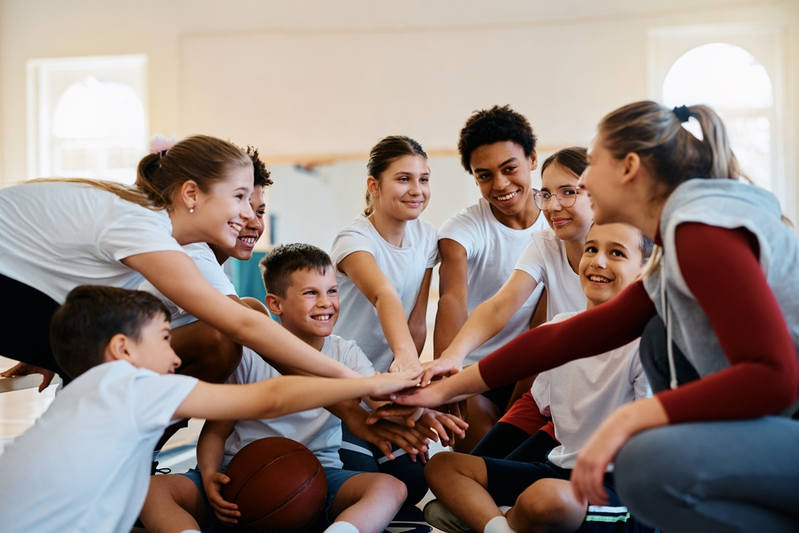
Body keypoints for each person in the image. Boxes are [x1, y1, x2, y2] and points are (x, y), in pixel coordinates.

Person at [384, 101, 799, 533]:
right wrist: (443, 385)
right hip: (770, 425)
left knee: (641, 461)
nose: (582, 180)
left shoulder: (701, 231)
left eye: (593, 162)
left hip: (784, 426)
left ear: (629, 167)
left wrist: (632, 417)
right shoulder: (679, 240)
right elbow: (570, 337)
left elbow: (775, 376)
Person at [0, 285, 420, 533]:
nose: (176, 355)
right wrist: (372, 383)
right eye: (164, 339)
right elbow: (269, 398)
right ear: (122, 349)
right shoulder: (131, 385)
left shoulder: (87, 392)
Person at [139, 244, 465, 533]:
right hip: (236, 473)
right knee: (149, 491)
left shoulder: (346, 353)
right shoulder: (251, 356)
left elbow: (377, 404)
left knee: (391, 488)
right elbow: (215, 432)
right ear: (275, 304)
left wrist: (421, 411)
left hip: (318, 475)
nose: (326, 303)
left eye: (332, 291)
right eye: (311, 293)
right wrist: (210, 474)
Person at [0, 135, 362, 386]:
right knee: (117, 351)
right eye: (238, 198)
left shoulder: (147, 225)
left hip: (18, 285)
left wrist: (44, 347)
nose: (247, 215)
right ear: (191, 193)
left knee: (102, 342)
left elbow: (53, 273)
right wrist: (353, 381)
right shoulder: (141, 224)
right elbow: (243, 325)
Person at [422, 222, 654, 533]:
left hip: (618, 487)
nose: (598, 261)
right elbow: (541, 408)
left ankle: (506, 514)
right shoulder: (559, 328)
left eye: (616, 253)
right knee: (442, 465)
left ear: (645, 270)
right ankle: (502, 526)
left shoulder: (647, 343)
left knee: (544, 498)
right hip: (557, 468)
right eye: (592, 249)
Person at [425, 146, 594, 457]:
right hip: (548, 389)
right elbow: (499, 306)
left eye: (568, 192)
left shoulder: (625, 253)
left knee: (530, 483)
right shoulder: (545, 244)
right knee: (460, 467)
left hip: (593, 395)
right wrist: (452, 357)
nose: (554, 206)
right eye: (547, 194)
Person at [329, 135, 440, 501]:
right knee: (358, 483)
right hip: (340, 388)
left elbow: (417, 321)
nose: (417, 189)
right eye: (403, 178)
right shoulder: (354, 239)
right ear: (373, 186)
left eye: (423, 179)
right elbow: (384, 293)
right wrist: (406, 358)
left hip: (384, 392)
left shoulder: (426, 238)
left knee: (412, 482)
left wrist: (407, 385)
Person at [434, 105, 549, 452]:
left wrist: (523, 390)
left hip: (536, 365)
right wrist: (448, 380)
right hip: (476, 370)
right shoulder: (461, 229)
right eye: (484, 175)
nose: (500, 185)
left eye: (509, 168)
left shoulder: (558, 223)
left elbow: (543, 322)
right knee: (481, 455)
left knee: (520, 457)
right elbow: (452, 299)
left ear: (532, 159)